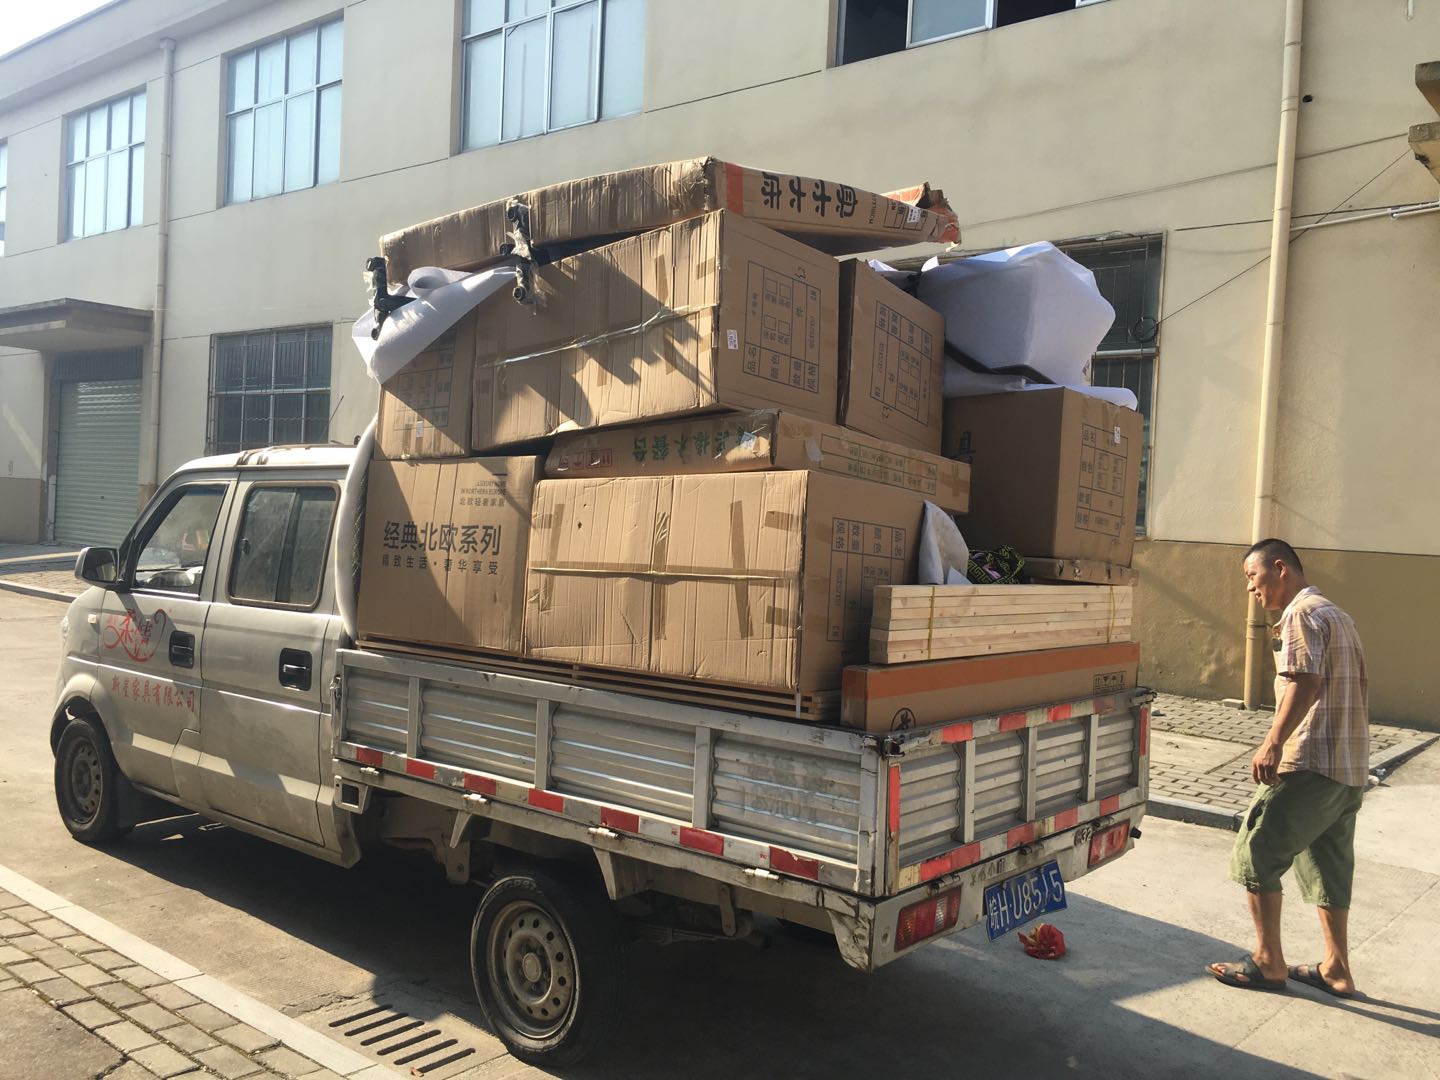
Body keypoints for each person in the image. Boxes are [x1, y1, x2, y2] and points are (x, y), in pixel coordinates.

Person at [1207, 538, 1369, 998]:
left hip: (1310, 762)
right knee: (1327, 863)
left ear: (1280, 568)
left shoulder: (1300, 613)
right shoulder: (1337, 614)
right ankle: (1336, 968)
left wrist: (1272, 742)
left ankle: (1267, 962)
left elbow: (1304, 681)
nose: (1249, 588)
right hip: (1348, 768)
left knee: (1256, 853)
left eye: (1251, 576)